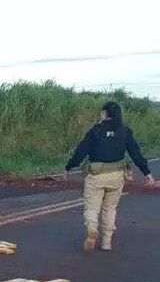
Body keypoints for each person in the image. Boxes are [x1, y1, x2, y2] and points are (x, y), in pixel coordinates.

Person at [65, 101, 156, 252]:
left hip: (96, 176)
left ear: (105, 114)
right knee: (110, 208)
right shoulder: (125, 132)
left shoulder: (95, 131)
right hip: (116, 176)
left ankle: (92, 228)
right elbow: (136, 154)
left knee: (92, 206)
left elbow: (80, 152)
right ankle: (106, 242)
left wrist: (69, 167)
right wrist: (147, 173)